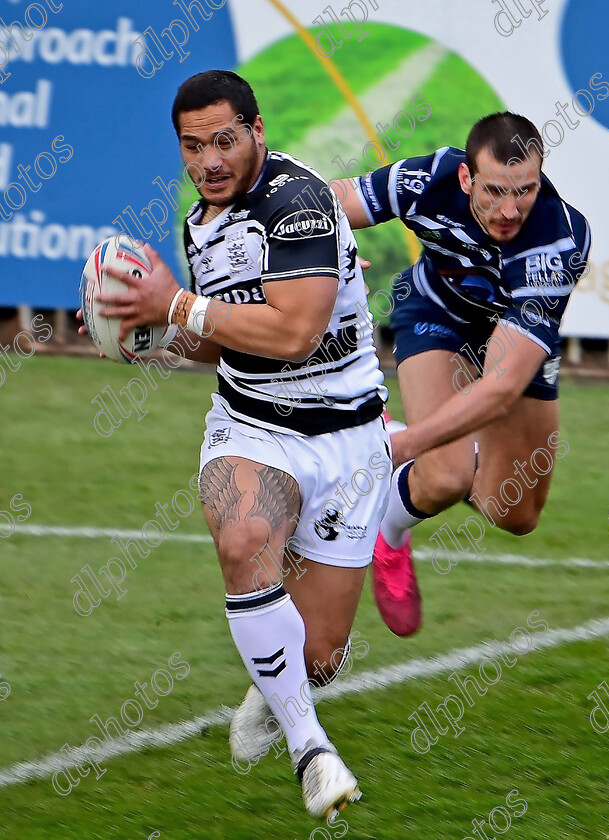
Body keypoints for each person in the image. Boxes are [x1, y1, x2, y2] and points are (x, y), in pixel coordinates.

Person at [96, 70, 390, 818]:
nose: (209, 160)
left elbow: (294, 333)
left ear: (257, 131)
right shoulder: (203, 220)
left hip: (347, 440)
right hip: (252, 426)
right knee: (243, 537)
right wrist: (154, 337)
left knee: (318, 654)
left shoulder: (302, 204)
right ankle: (310, 751)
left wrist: (177, 304)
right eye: (192, 147)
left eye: (224, 139)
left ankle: (279, 689)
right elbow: (223, 340)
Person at [333, 112, 591, 636]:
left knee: (514, 513)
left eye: (526, 190)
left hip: (512, 345)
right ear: (467, 178)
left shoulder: (557, 240)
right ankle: (390, 533)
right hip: (437, 314)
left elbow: (499, 388)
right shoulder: (427, 180)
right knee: (446, 476)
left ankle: (398, 439)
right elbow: (327, 202)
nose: (510, 209)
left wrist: (400, 448)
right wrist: (325, 250)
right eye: (495, 190)